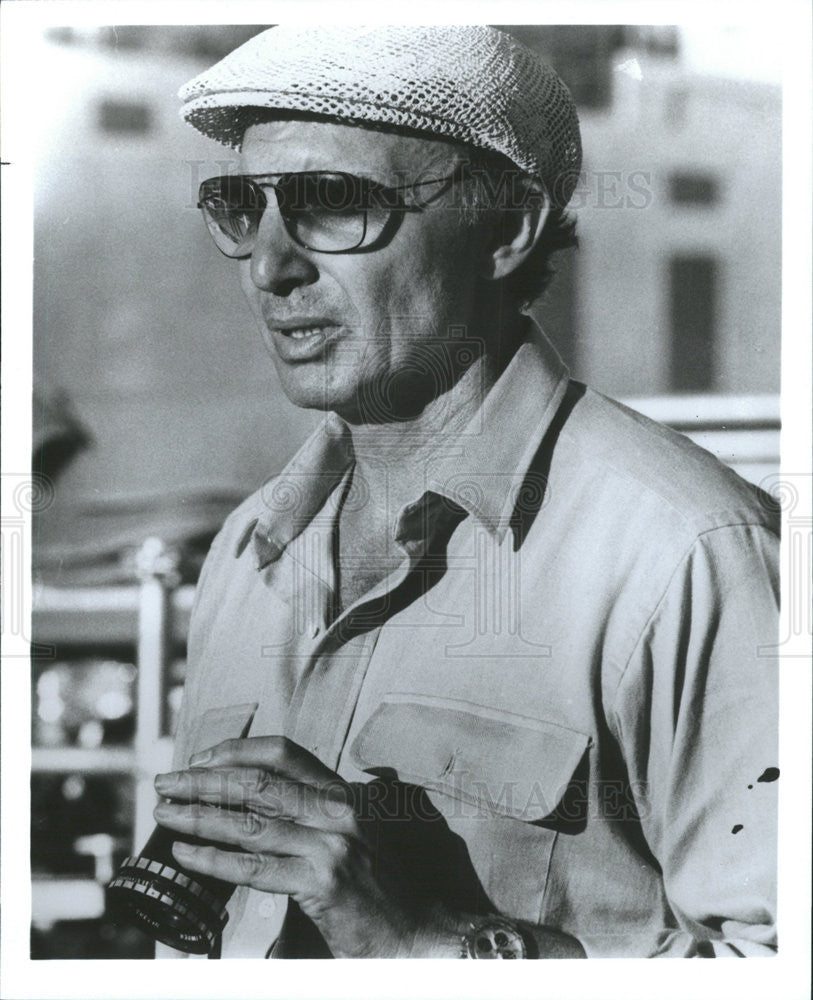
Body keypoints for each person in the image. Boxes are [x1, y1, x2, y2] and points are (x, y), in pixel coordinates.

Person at [153, 25, 779, 959]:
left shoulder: (682, 553)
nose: (271, 268)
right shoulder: (252, 552)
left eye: (331, 203)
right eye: (244, 208)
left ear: (507, 228)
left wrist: (423, 944)